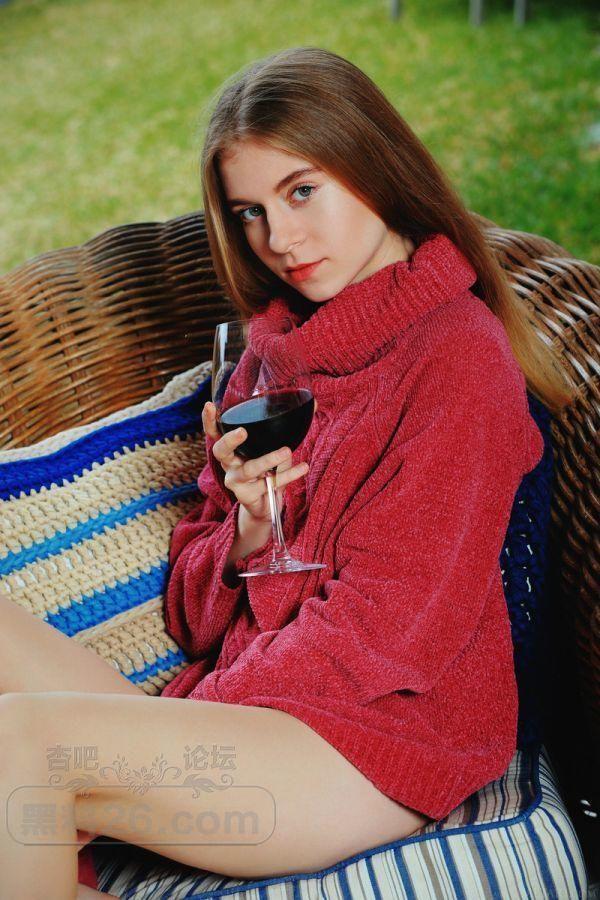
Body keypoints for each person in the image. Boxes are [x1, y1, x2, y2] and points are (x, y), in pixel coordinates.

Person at [0, 46, 579, 899]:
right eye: (251, 212)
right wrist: (251, 528)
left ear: (375, 167)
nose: (280, 240)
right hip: (258, 715)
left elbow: (392, 630)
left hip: (372, 746)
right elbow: (195, 618)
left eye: (302, 191)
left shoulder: (458, 360)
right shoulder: (270, 359)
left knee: (22, 745)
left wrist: (186, 726)